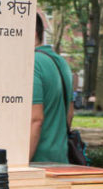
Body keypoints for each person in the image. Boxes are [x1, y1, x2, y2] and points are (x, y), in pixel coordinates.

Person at [30, 13, 73, 163]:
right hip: (60, 158)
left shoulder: (32, 63)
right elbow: (70, 113)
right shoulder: (61, 62)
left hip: (36, 161)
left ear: (32, 33)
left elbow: (35, 119)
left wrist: (20, 165)